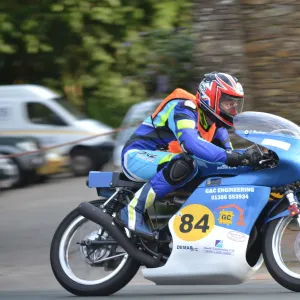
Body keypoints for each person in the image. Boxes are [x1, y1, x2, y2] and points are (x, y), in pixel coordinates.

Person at [115, 71, 262, 238]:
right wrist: (235, 158)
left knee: (216, 171)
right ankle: (132, 210)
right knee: (186, 164)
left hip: (165, 161)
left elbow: (230, 158)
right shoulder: (185, 108)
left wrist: (253, 158)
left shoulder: (217, 127)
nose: (234, 109)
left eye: (236, 103)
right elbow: (191, 144)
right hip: (137, 156)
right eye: (229, 102)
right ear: (212, 98)